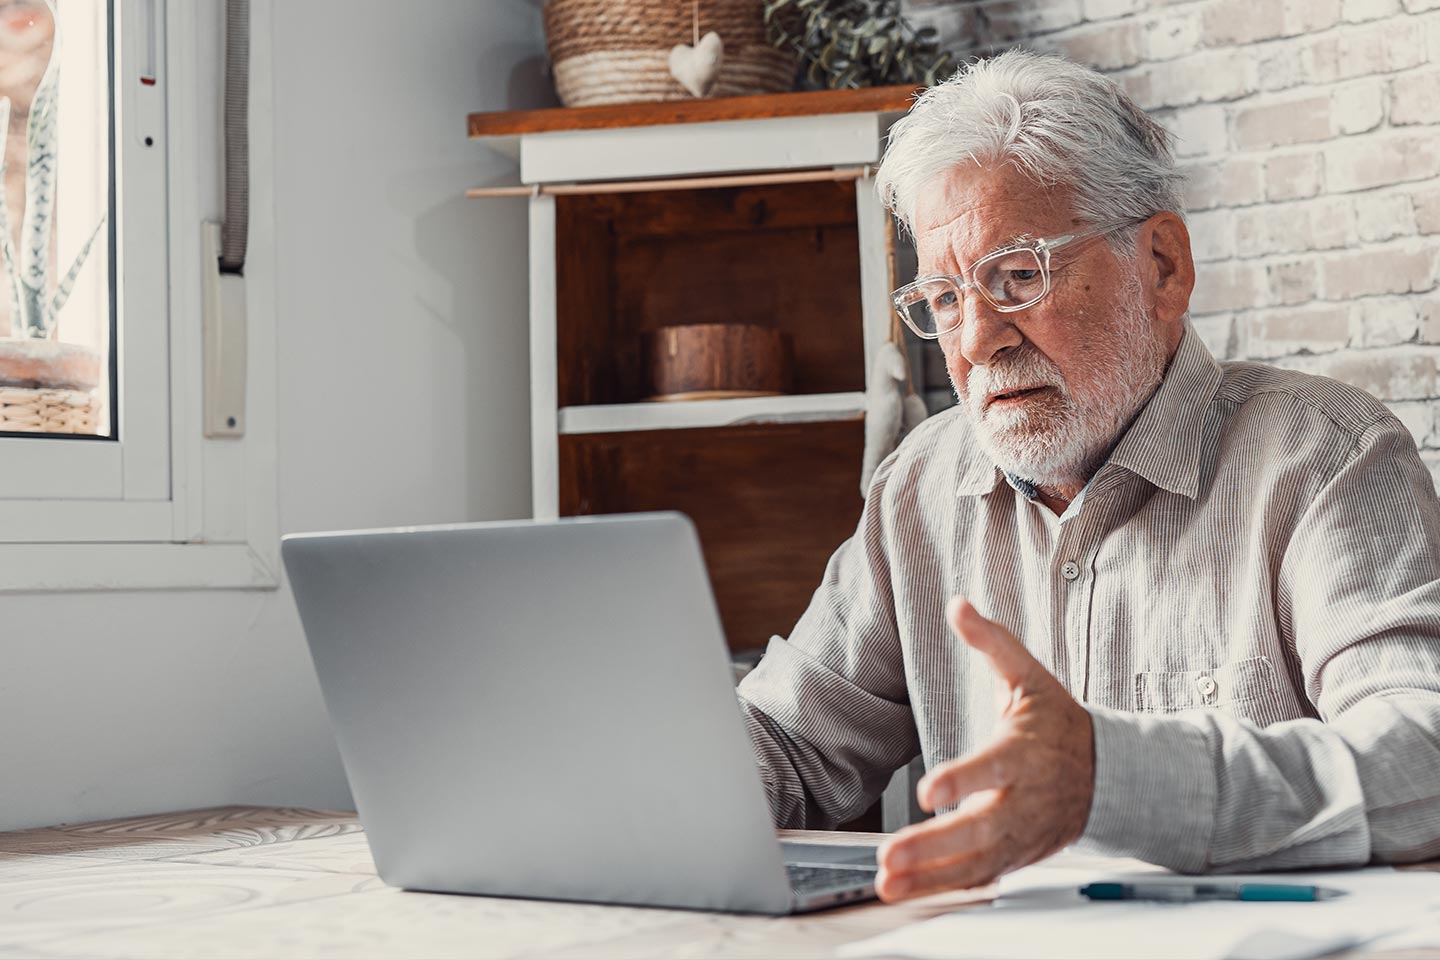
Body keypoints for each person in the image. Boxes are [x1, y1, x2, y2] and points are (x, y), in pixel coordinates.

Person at [735, 48, 1440, 903]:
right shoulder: (916, 488)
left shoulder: (1327, 456)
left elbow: (1423, 754)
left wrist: (1116, 778)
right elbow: (790, 742)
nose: (975, 340)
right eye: (947, 298)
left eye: (1018, 275)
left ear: (1163, 266)